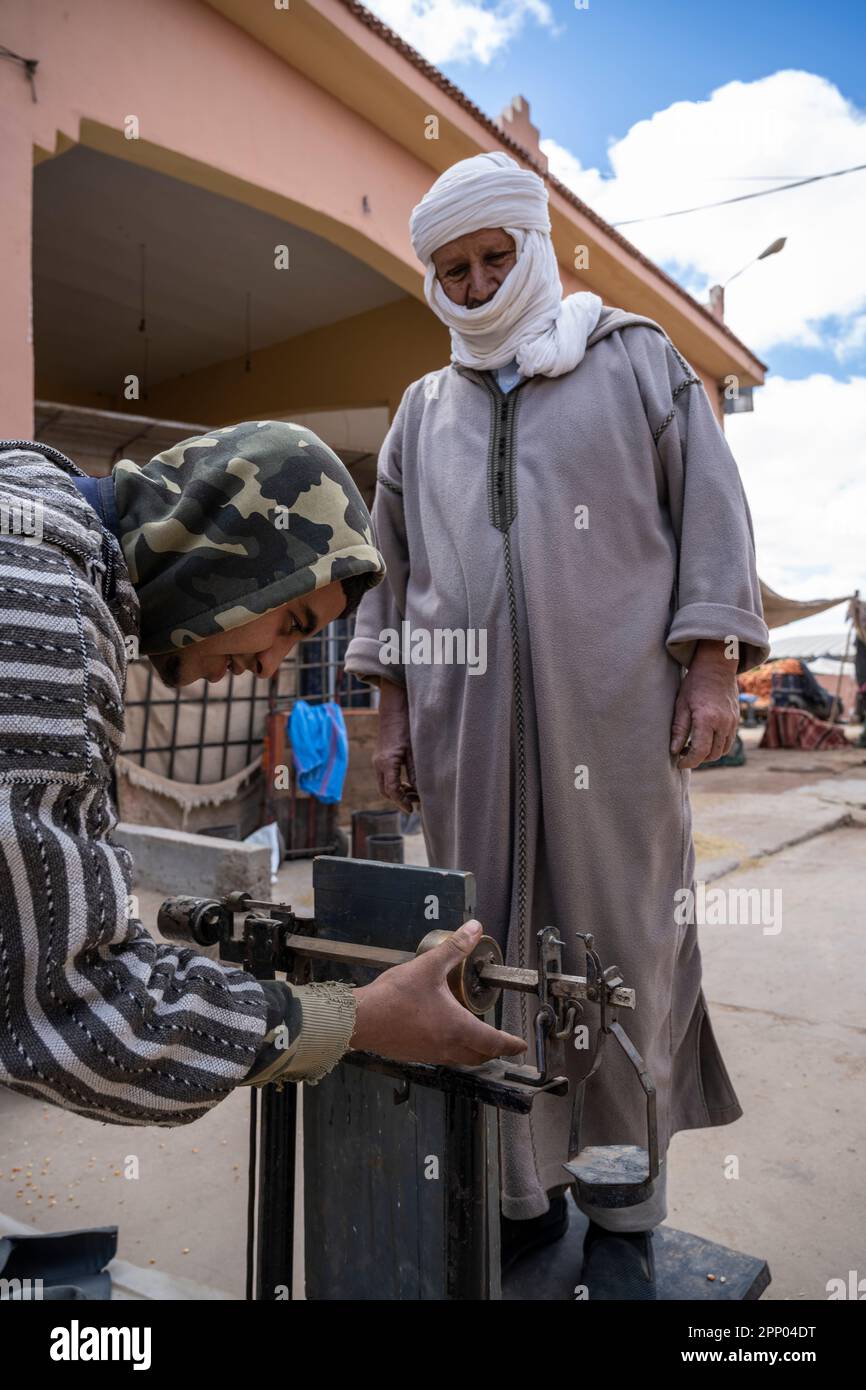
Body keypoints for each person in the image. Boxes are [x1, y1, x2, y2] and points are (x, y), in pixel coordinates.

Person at [344, 151, 771, 1297]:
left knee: (622, 957)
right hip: (463, 732)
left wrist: (710, 666)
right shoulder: (419, 411)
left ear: (531, 247)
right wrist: (389, 710)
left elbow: (711, 516)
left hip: (616, 727)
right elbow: (386, 574)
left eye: (493, 260)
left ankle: (624, 1210)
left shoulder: (635, 360)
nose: (476, 287)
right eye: (453, 271)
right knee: (480, 959)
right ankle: (520, 1203)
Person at [0, 423, 525, 1127]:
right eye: (292, 622)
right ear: (237, 552)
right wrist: (359, 1017)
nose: (274, 664)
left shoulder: (30, 502)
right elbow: (73, 1013)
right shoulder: (44, 612)